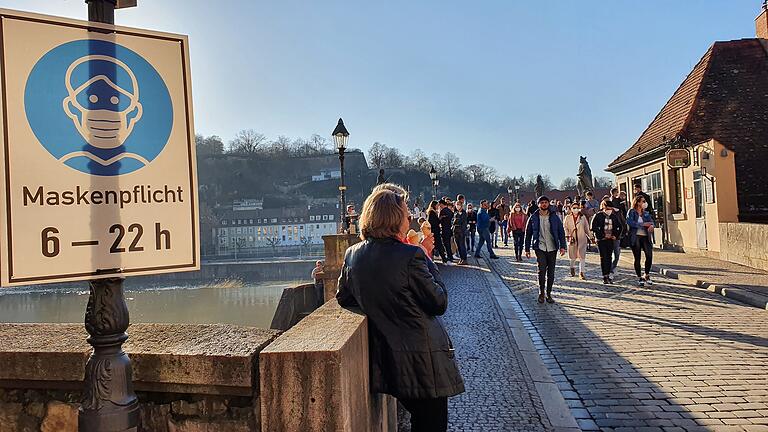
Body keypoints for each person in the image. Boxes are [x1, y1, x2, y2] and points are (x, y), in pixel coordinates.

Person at [336, 188, 465, 431]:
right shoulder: (411, 255)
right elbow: (439, 302)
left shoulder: (352, 255)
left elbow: (343, 297)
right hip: (422, 359)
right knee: (431, 424)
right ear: (394, 219)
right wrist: (426, 255)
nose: (409, 220)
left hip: (388, 358)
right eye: (406, 215)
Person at [524, 196, 567, 304]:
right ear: (538, 204)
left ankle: (549, 294)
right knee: (541, 270)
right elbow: (528, 234)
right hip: (540, 247)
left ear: (548, 204)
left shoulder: (554, 217)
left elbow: (561, 232)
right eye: (542, 202)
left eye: (546, 202)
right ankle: (541, 293)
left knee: (551, 272)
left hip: (552, 247)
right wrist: (527, 249)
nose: (544, 204)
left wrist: (563, 246)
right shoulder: (533, 217)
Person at [591, 199, 624, 284]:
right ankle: (604, 276)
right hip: (601, 240)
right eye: (608, 208)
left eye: (611, 209)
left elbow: (620, 227)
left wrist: (615, 236)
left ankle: (609, 274)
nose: (609, 210)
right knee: (603, 257)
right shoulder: (598, 216)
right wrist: (602, 235)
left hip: (610, 240)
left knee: (609, 257)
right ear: (604, 208)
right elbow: (593, 227)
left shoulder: (613, 216)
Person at [627, 195, 655, 287]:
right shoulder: (632, 212)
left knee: (649, 255)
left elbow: (651, 222)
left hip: (645, 237)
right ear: (638, 202)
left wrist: (651, 225)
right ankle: (639, 277)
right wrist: (642, 224)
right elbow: (630, 222)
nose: (644, 203)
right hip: (636, 236)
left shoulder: (646, 213)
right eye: (643, 201)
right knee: (637, 257)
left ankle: (646, 274)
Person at [563, 202, 590, 280]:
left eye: (577, 208)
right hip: (572, 239)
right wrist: (567, 235)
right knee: (573, 257)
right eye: (574, 208)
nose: (575, 209)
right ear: (571, 209)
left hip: (582, 238)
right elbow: (565, 227)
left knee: (582, 257)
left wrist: (591, 237)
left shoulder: (583, 217)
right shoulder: (567, 217)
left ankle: (582, 272)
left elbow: (586, 228)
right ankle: (572, 267)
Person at [609, 188, 628, 276]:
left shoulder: (618, 211)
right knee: (610, 253)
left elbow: (622, 224)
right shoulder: (611, 201)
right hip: (609, 234)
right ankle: (609, 269)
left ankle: (613, 267)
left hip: (617, 234)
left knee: (616, 253)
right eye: (616, 193)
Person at [452, 200, 468, 265]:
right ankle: (461, 258)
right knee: (458, 246)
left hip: (461, 231)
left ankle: (464, 259)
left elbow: (462, 222)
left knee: (462, 246)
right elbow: (453, 221)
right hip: (455, 231)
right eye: (456, 204)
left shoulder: (464, 213)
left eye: (459, 204)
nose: (457, 206)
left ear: (461, 205)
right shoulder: (455, 212)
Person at [439, 199, 454, 263]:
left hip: (444, 229)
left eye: (440, 205)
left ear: (442, 204)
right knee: (448, 243)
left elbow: (439, 220)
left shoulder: (442, 211)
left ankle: (449, 256)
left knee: (446, 243)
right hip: (449, 228)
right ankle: (450, 255)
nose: (439, 206)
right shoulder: (450, 211)